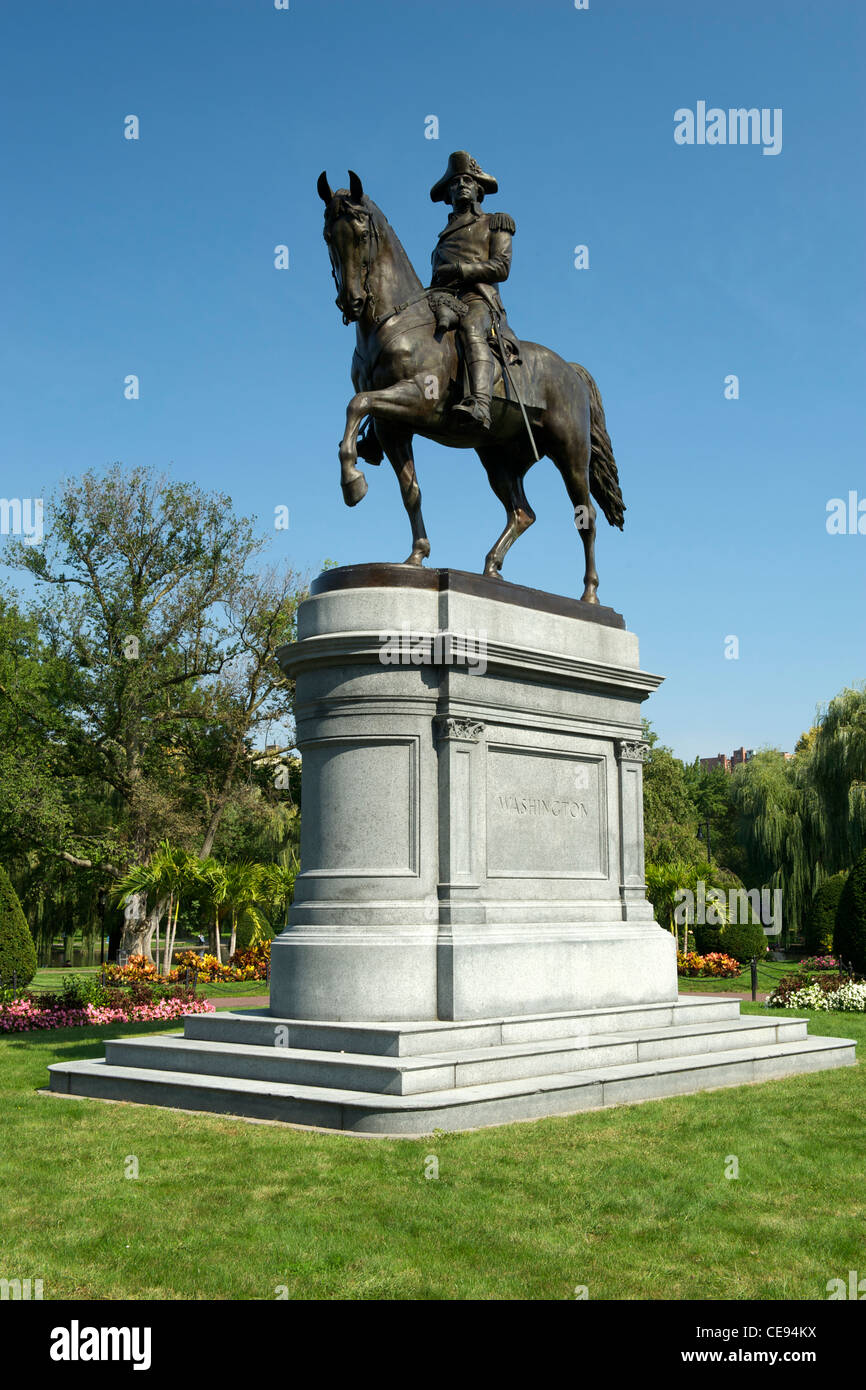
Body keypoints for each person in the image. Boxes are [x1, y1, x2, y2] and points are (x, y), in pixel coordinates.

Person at [429, 151, 517, 430]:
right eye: (455, 182)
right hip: (444, 300)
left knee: (470, 327)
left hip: (480, 300)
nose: (461, 185)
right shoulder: (442, 238)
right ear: (448, 193)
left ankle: (480, 403)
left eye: (468, 180)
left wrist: (459, 270)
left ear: (479, 189)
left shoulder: (495, 222)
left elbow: (501, 268)